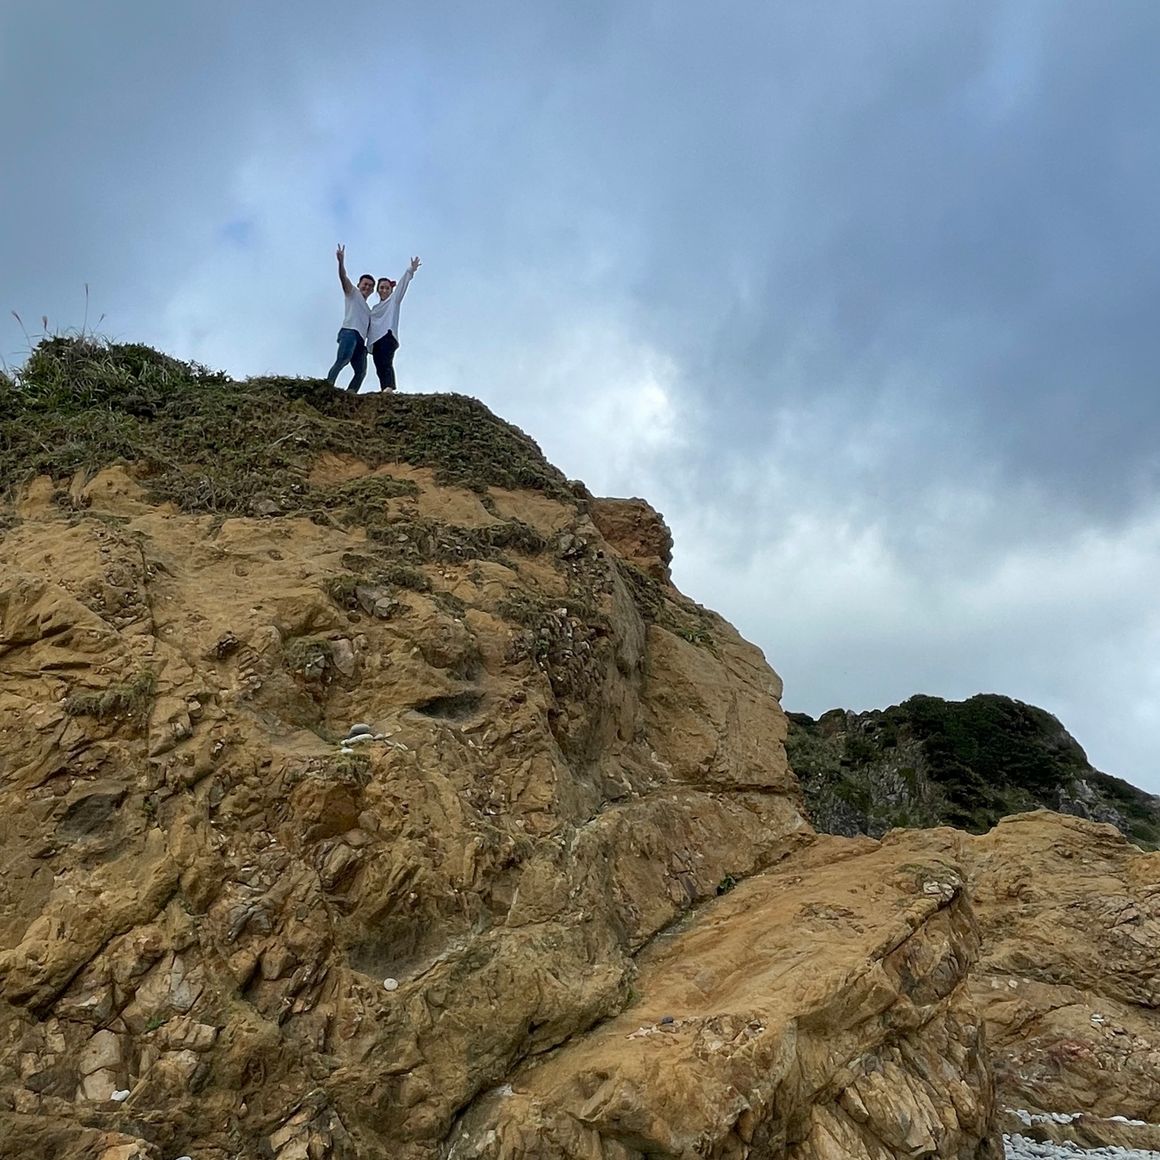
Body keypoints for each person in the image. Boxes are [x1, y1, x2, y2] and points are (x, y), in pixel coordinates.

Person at [368, 256, 421, 392]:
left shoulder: (393, 301)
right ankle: (384, 389)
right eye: (382, 288)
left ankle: (389, 387)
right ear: (378, 290)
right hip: (375, 340)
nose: (384, 290)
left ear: (391, 290)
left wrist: (410, 270)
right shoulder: (374, 309)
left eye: (387, 288)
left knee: (386, 362)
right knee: (379, 366)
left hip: (388, 335)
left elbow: (403, 285)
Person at [326, 244, 374, 393]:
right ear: (359, 284)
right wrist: (341, 262)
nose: (367, 287)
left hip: (361, 340)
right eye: (365, 284)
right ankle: (327, 387)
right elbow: (343, 278)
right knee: (343, 359)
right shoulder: (353, 293)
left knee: (361, 371)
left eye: (370, 286)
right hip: (349, 332)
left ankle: (350, 393)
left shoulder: (369, 311)